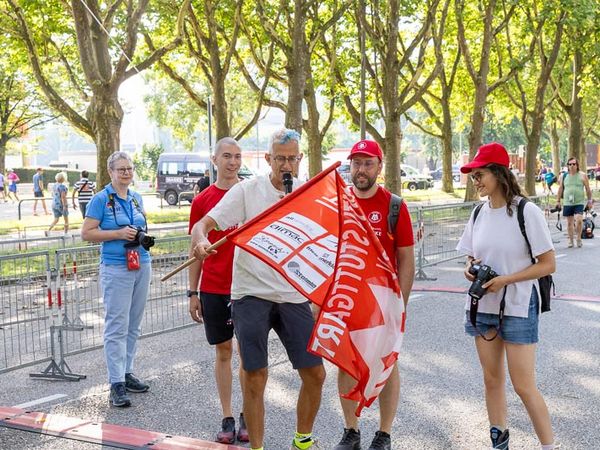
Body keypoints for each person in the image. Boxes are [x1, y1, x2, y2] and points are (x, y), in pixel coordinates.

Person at [192, 128, 325, 450]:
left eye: (292, 158)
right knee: (256, 374)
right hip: (251, 293)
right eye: (280, 158)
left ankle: (303, 440)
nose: (286, 165)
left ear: (300, 158)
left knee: (315, 374)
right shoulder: (247, 191)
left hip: (292, 294)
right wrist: (200, 240)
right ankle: (258, 447)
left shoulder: (308, 194)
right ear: (268, 159)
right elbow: (203, 225)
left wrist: (321, 294)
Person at [456, 142, 559, 450]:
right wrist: (470, 269)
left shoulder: (527, 211)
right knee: (492, 380)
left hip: (518, 305)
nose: (476, 181)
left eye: (480, 174)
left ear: (499, 174)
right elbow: (470, 257)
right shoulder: (478, 213)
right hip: (482, 305)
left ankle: (548, 446)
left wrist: (506, 280)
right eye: (473, 175)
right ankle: (499, 442)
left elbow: (548, 264)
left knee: (524, 385)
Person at [333, 140, 415, 450]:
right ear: (350, 166)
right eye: (356, 163)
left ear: (379, 167)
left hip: (383, 304)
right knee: (345, 363)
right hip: (346, 298)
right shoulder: (339, 203)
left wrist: (400, 304)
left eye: (368, 163)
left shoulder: (394, 206)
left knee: (387, 364)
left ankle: (384, 434)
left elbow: (406, 258)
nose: (361, 169)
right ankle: (351, 431)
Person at [187, 137, 248, 444]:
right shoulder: (203, 201)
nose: (233, 162)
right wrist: (192, 292)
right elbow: (194, 249)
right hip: (214, 287)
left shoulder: (251, 194)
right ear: (214, 160)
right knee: (223, 351)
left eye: (237, 156)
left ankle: (248, 413)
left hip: (249, 286)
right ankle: (227, 415)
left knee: (250, 353)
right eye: (227, 156)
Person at [81, 152, 152, 408]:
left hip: (141, 262)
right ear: (110, 172)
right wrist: (118, 233)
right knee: (116, 325)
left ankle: (127, 372)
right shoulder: (101, 199)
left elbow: (142, 224)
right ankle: (115, 383)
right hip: (116, 266)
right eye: (121, 169)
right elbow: (86, 233)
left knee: (134, 324)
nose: (126, 173)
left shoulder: (136, 198)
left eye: (130, 168)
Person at [556, 157, 593, 248]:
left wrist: (589, 201)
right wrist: (558, 201)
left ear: (577, 165)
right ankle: (571, 240)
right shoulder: (563, 176)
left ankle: (579, 238)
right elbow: (560, 188)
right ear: (567, 165)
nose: (572, 166)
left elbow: (588, 189)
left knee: (579, 220)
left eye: (574, 164)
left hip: (579, 202)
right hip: (568, 202)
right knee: (569, 223)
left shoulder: (582, 175)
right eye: (570, 164)